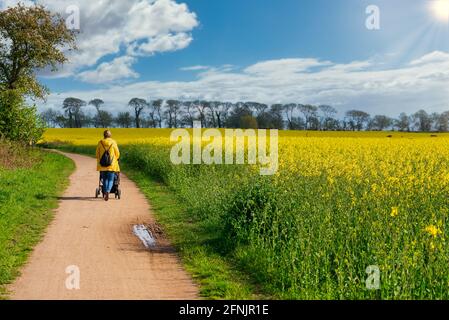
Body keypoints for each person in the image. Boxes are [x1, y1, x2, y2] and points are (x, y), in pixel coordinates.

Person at [96, 130, 120, 201]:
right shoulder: (113, 142)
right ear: (110, 135)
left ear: (104, 135)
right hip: (111, 165)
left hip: (102, 165)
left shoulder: (100, 142)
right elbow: (118, 154)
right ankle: (108, 191)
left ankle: (105, 191)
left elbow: (97, 154)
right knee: (111, 179)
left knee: (104, 179)